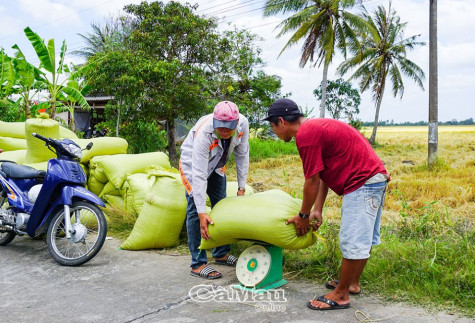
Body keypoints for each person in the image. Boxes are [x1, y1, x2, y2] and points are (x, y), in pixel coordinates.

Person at [264, 98, 389, 311]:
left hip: (362, 182)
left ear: (281, 122)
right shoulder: (313, 128)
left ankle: (340, 295)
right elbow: (322, 175)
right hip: (372, 179)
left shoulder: (306, 134)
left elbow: (311, 180)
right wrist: (317, 209)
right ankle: (351, 284)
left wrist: (302, 216)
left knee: (353, 239)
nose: (274, 132)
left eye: (272, 127)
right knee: (361, 238)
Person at [179, 101, 250, 280]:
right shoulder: (204, 133)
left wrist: (241, 187)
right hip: (194, 166)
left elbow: (242, 155)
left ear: (236, 123)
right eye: (221, 128)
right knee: (195, 211)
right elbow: (200, 175)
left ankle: (221, 253)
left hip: (217, 165)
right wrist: (203, 213)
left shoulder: (243, 124)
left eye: (229, 129)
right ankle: (198, 263)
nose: (224, 132)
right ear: (214, 122)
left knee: (221, 206)